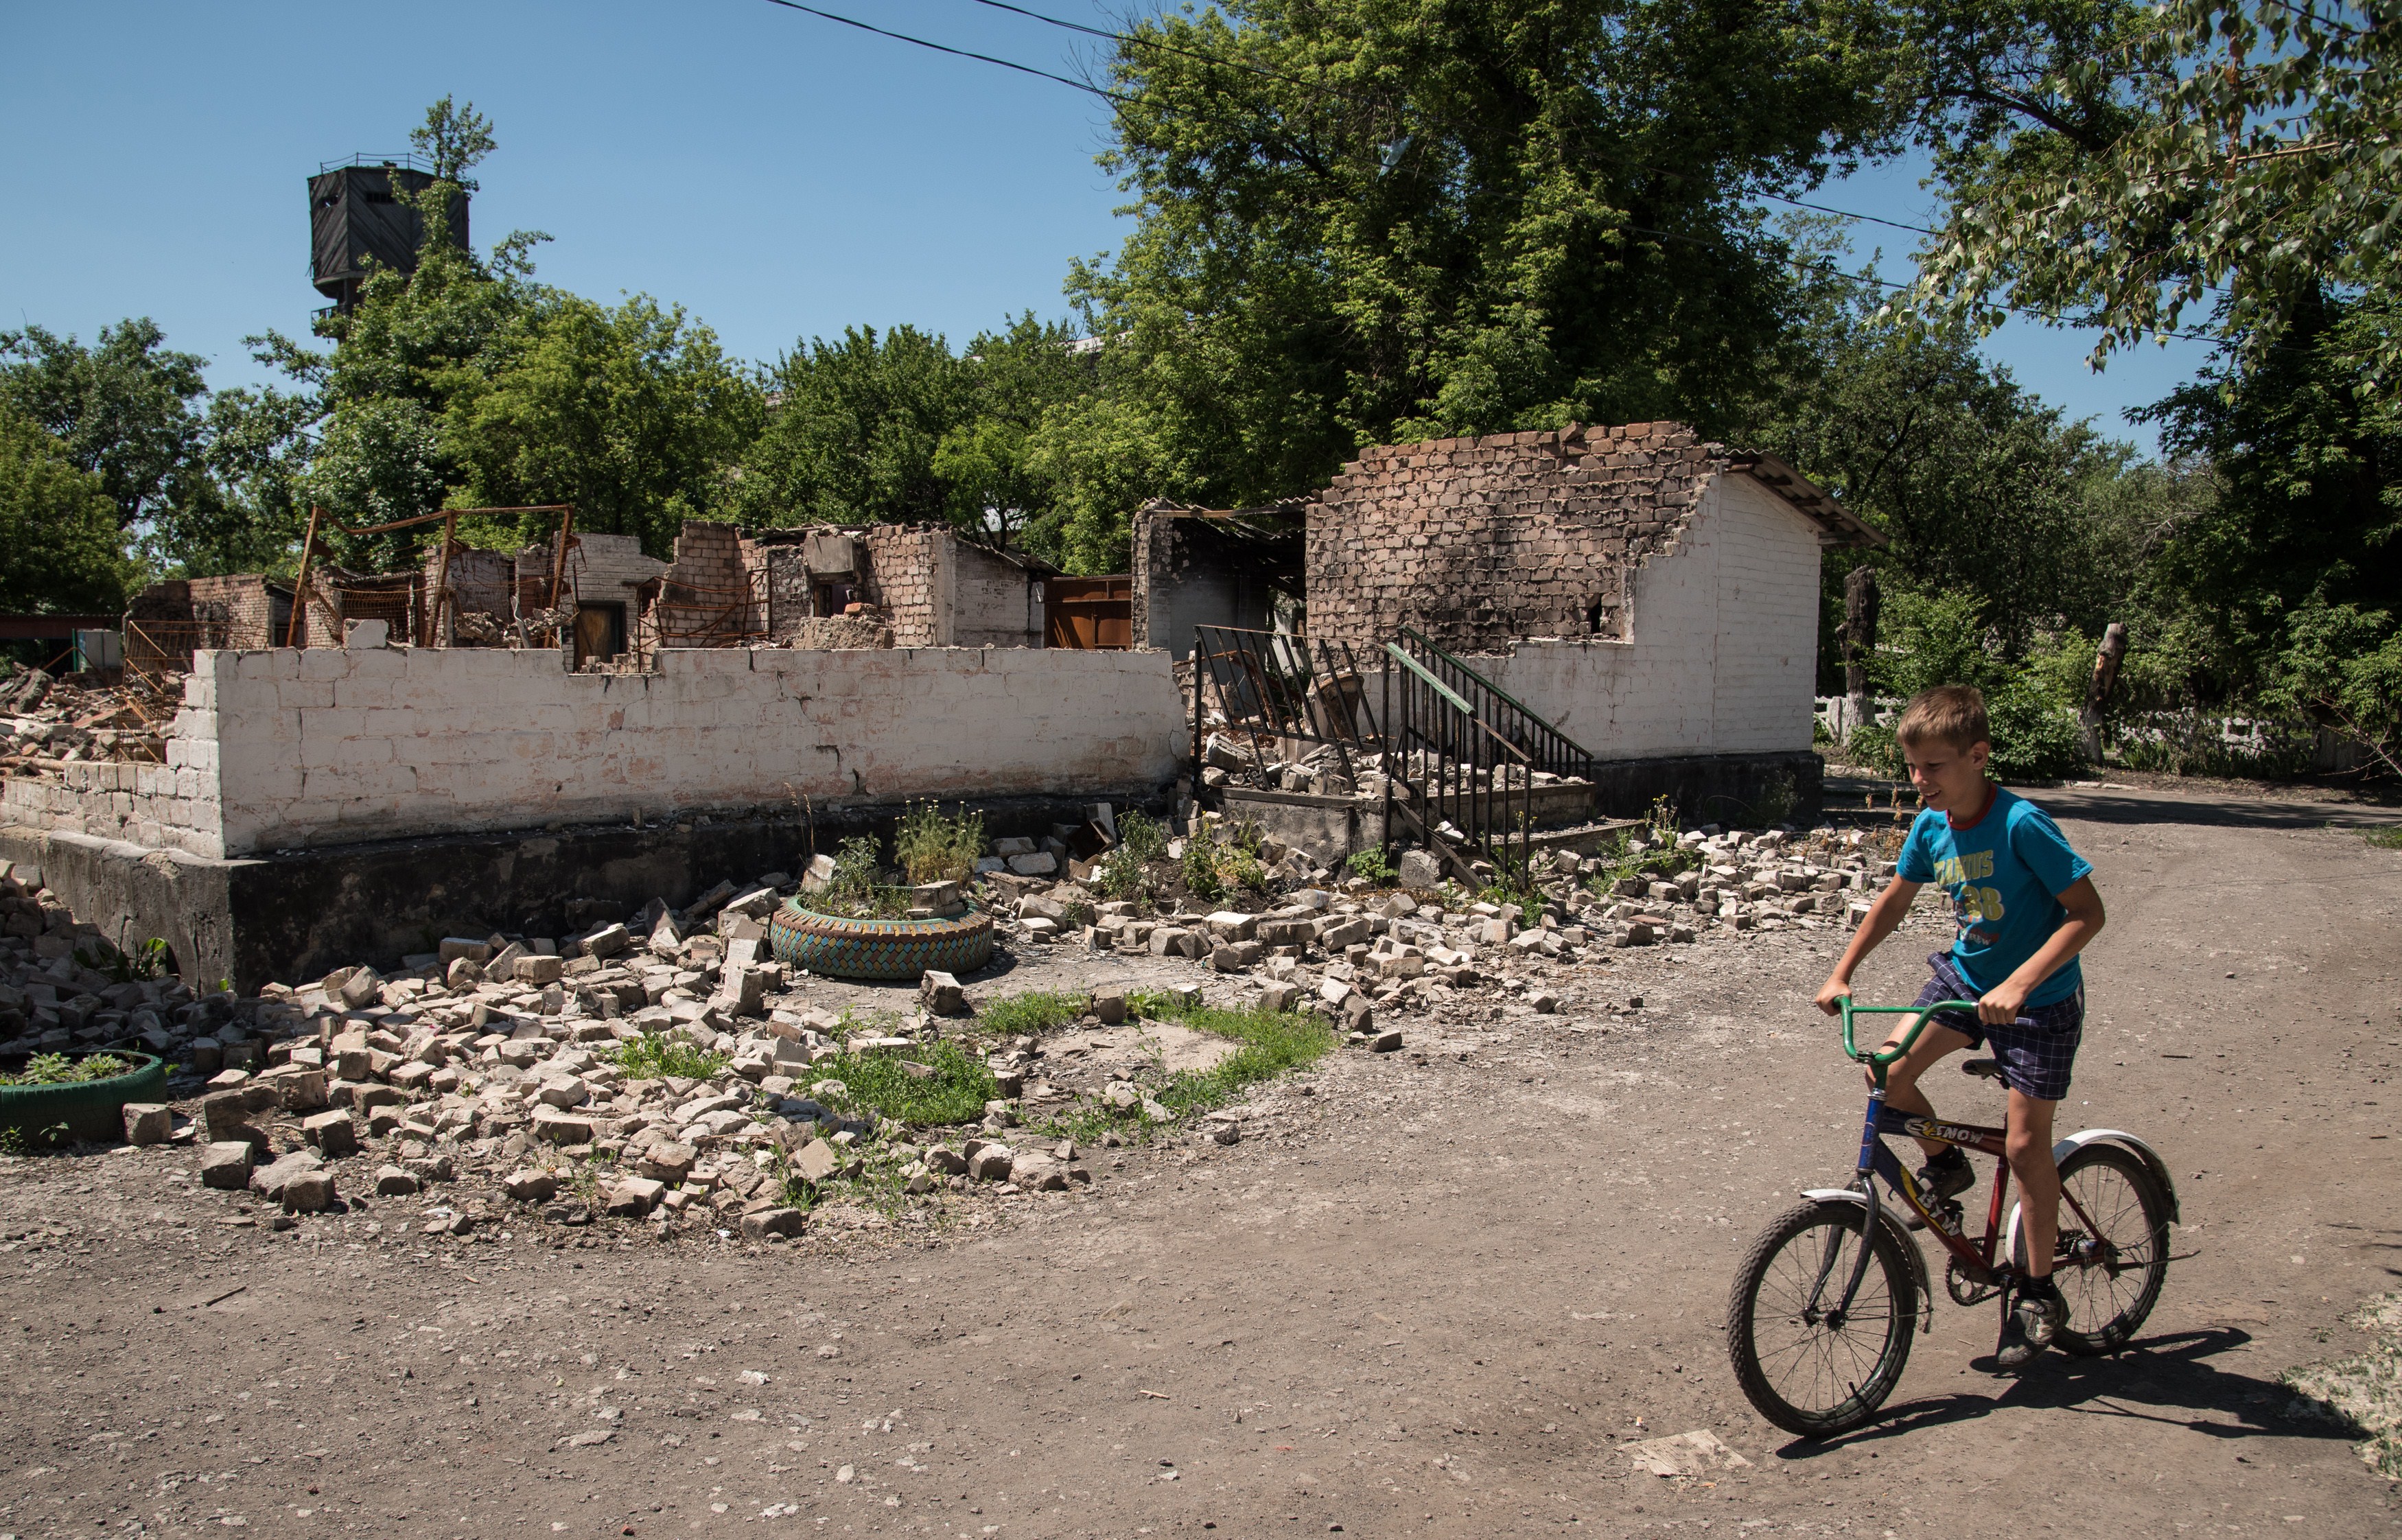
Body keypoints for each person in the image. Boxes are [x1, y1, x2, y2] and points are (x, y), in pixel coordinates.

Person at [1814, 684, 2108, 1369]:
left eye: (1934, 767)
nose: (1920, 780)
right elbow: (1893, 903)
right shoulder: (1930, 826)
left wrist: (2020, 983)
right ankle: (1945, 1167)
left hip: (2038, 1000)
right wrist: (1841, 972)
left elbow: (2086, 914)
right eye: (1912, 767)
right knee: (1884, 1071)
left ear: (1978, 756)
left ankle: (2037, 1292)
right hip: (1965, 981)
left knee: (2025, 1147)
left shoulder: (2021, 824)